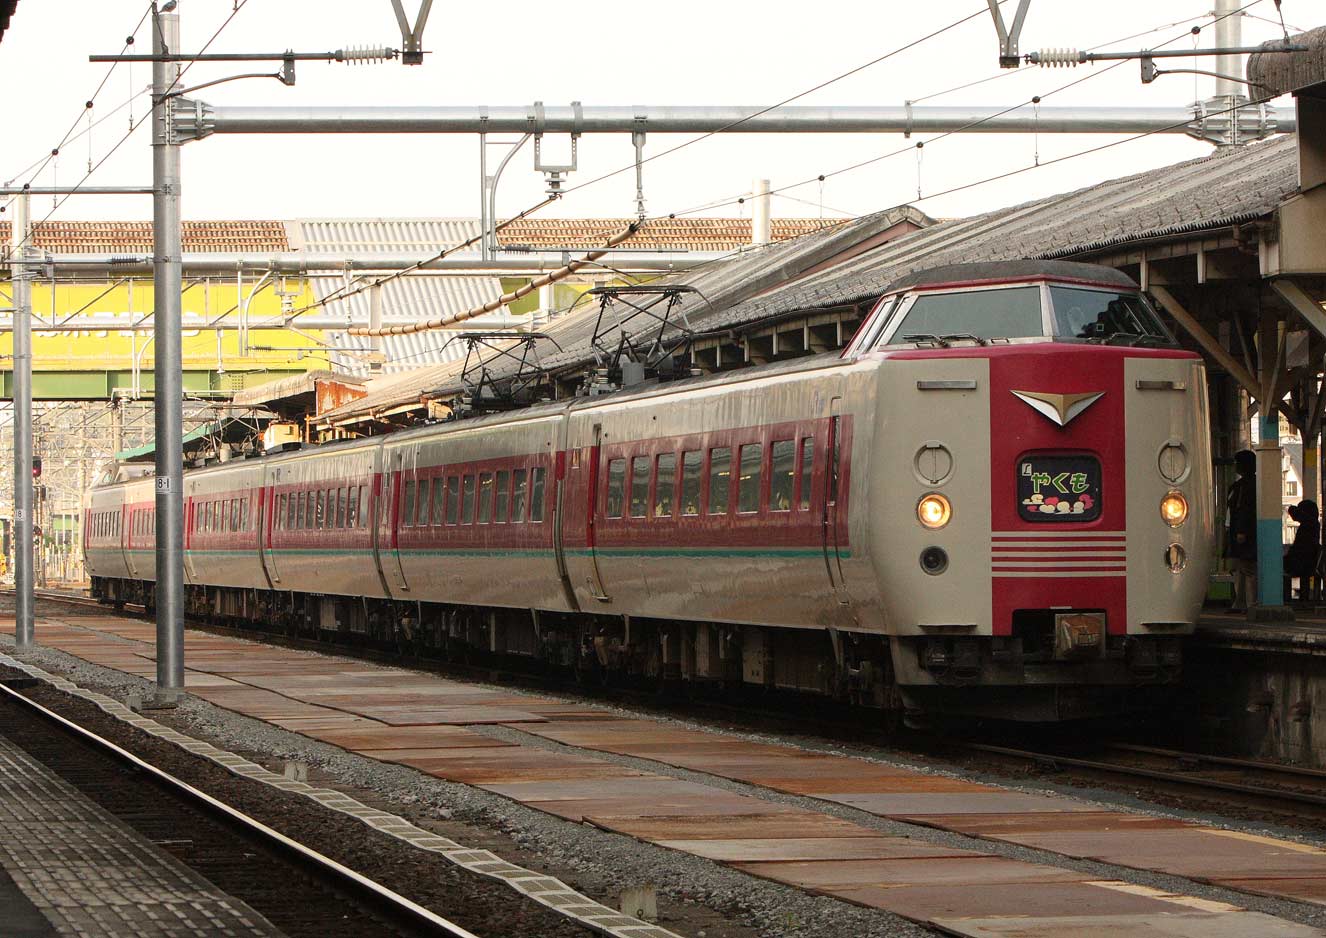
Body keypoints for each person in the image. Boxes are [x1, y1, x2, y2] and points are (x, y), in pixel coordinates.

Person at [1227, 449, 1258, 612]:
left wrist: (1241, 531)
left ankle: (1249, 603)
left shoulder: (1244, 487)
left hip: (1244, 534)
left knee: (1247, 568)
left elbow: (1244, 510)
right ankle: (1242, 602)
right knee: (1240, 568)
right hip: (1240, 532)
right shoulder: (1245, 485)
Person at [1285, 499, 1321, 601]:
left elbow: (1299, 549)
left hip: (1302, 563)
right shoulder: (1315, 524)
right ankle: (1304, 598)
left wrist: (1291, 507)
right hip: (1309, 562)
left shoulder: (1308, 524)